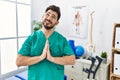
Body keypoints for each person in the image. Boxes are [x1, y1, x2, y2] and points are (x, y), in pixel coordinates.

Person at [16, 5, 75, 80]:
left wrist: (51, 58)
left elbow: (72, 60)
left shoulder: (61, 40)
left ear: (57, 22)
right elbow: (19, 61)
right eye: (47, 14)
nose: (49, 18)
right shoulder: (32, 38)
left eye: (53, 17)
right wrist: (41, 57)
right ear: (43, 16)